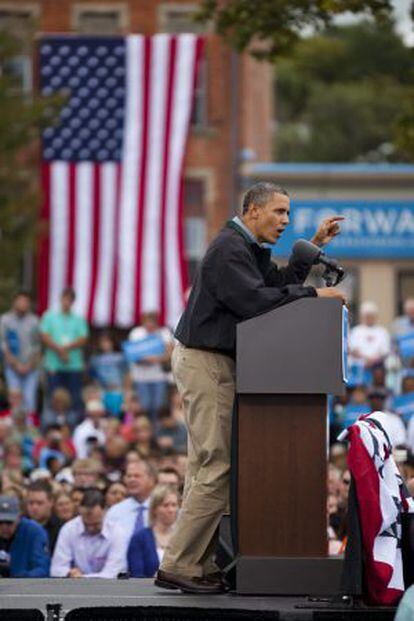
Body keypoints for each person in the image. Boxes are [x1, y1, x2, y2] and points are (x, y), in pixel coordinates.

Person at [155, 181, 346, 594]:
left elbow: (272, 287)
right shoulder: (228, 249)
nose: (285, 221)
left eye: (288, 215)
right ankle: (179, 564)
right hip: (206, 361)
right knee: (215, 466)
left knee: (208, 467)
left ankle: (197, 562)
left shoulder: (245, 248)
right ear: (252, 210)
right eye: (278, 212)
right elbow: (255, 302)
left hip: (214, 362)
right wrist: (315, 293)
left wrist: (310, 247)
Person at [51, 489, 126, 578]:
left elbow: (114, 572)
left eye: (95, 524)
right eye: (86, 524)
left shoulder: (117, 532)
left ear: (105, 511)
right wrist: (68, 573)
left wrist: (82, 578)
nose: (90, 528)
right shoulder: (68, 529)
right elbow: (56, 568)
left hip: (108, 588)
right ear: (80, 511)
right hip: (74, 587)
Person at [40, 287, 89, 412]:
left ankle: (72, 426)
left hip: (73, 366)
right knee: (53, 397)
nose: (67, 302)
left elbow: (83, 338)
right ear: (60, 299)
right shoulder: (49, 316)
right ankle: (52, 425)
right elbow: (44, 336)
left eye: (70, 300)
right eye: (65, 299)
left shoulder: (78, 319)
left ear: (73, 302)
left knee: (74, 399)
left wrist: (66, 348)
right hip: (54, 365)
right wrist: (60, 350)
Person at [128, 312, 173, 424]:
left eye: (152, 322)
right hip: (141, 377)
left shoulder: (164, 333)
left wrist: (157, 359)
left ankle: (157, 431)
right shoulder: (136, 333)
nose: (149, 325)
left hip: (159, 377)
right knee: (145, 406)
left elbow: (171, 352)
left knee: (159, 405)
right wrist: (144, 359)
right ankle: (146, 429)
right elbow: (131, 352)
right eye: (147, 322)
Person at [0, 291, 40, 414]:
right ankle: (15, 431)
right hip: (12, 368)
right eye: (20, 300)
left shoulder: (34, 321)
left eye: (26, 301)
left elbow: (37, 346)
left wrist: (30, 365)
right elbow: (3, 344)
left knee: (29, 399)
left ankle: (30, 429)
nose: (23, 304)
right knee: (15, 399)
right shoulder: (5, 320)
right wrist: (16, 364)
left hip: (31, 368)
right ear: (14, 302)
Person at [128, 485, 180, 578]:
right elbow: (136, 575)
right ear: (154, 509)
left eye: (174, 505)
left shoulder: (182, 538)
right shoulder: (139, 538)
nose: (171, 510)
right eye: (165, 505)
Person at [105, 461, 156, 547]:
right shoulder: (115, 512)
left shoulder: (163, 509)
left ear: (151, 480)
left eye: (137, 476)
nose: (132, 480)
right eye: (129, 476)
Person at [0, 495, 50, 577]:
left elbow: (42, 569)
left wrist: (20, 579)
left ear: (19, 517)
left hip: (25, 587)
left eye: (9, 522)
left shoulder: (34, 532)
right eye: (0, 522)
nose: (4, 527)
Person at [349, 302, 391, 370]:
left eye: (371, 316)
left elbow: (385, 350)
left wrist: (373, 360)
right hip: (359, 365)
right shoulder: (356, 331)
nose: (369, 318)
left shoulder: (382, 331)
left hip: (377, 366)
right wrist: (366, 359)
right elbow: (353, 349)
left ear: (375, 316)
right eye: (366, 316)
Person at [26, 480, 63, 553]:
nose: (34, 507)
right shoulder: (18, 526)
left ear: (51, 502)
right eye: (31, 503)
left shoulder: (62, 529)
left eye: (39, 503)